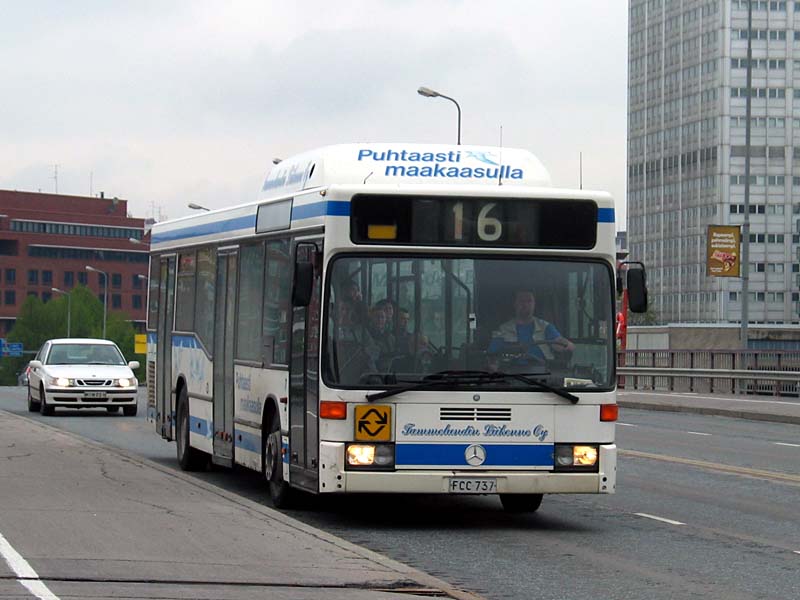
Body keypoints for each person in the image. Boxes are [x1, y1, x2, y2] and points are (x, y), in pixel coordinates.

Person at [487, 289, 574, 368]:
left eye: (529, 301)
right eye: (521, 301)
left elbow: (559, 343)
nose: (525, 304)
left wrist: (565, 344)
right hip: (511, 374)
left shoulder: (545, 327)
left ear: (534, 304)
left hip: (543, 375)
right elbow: (492, 357)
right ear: (515, 304)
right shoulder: (503, 329)